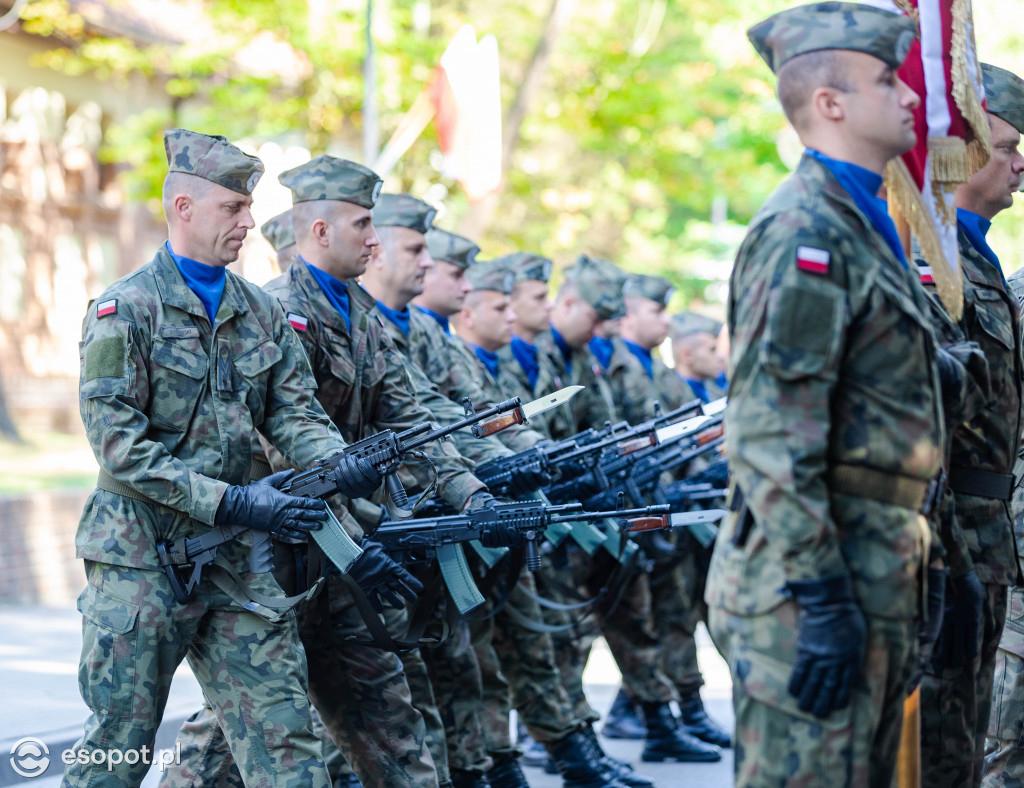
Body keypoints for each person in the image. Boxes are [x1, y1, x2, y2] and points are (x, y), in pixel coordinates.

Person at [65, 130, 387, 788]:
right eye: (232, 208)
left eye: (249, 208)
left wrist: (338, 465)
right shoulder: (124, 311)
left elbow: (292, 411)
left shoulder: (262, 313)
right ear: (182, 208)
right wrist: (232, 498)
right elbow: (118, 444)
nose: (248, 222)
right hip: (141, 559)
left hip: (238, 562)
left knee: (288, 742)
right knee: (115, 746)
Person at [704, 5, 951, 785]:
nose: (910, 94)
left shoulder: (862, 217)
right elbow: (770, 432)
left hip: (873, 562)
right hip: (811, 581)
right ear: (830, 103)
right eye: (887, 80)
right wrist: (819, 596)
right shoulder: (804, 231)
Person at [599, 274, 731, 751]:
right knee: (616, 622)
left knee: (670, 615)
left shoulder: (657, 374)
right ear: (631, 314)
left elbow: (688, 440)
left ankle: (673, 714)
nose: (666, 321)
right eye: (656, 311)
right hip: (622, 513)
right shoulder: (609, 365)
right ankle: (558, 735)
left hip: (667, 511)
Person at [961, 62, 1024, 788]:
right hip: (974, 546)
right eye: (1005, 145)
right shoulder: (936, 259)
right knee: (989, 747)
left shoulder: (978, 261)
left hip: (992, 546)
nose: (1018, 163)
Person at [669, 312, 727, 404]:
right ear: (687, 355)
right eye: (712, 350)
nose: (721, 357)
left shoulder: (712, 388)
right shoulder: (671, 396)